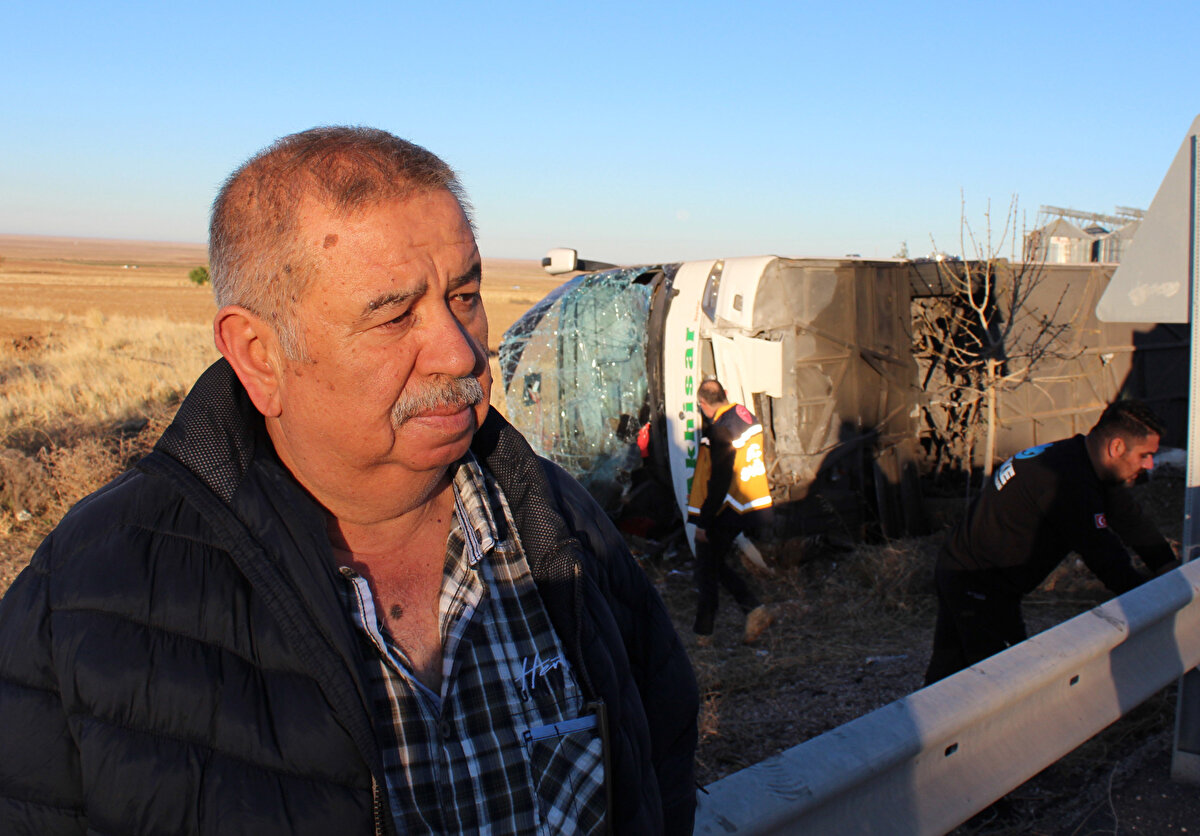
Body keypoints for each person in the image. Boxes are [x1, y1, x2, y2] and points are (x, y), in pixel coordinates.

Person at [0, 127, 698, 835]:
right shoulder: (88, 597)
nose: (461, 354)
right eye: (394, 315)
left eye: (464, 297)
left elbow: (661, 760)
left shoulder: (559, 520)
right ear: (259, 355)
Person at [924, 399, 1180, 685]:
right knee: (1002, 682)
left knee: (949, 674)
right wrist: (1157, 601)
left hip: (970, 573)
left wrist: (1168, 567)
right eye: (1145, 454)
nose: (1150, 464)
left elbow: (1130, 519)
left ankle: (928, 724)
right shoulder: (1065, 481)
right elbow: (1105, 558)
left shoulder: (1081, 460)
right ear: (1117, 447)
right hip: (977, 582)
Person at [687, 378, 775, 645]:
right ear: (724, 395)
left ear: (703, 404)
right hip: (753, 499)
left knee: (706, 561)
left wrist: (704, 520)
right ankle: (746, 613)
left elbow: (721, 477)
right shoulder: (744, 414)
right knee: (713, 562)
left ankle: (707, 632)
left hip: (732, 504)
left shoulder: (720, 429)